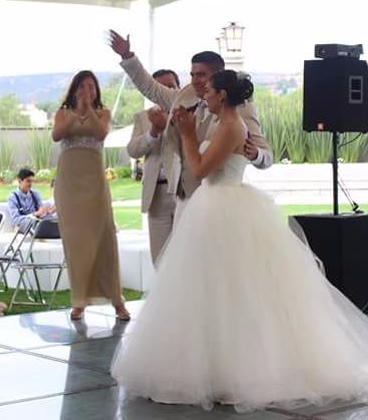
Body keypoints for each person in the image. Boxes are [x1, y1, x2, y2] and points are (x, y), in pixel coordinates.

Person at [111, 71, 368, 412]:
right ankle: (213, 363)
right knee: (212, 290)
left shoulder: (232, 126)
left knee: (236, 290)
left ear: (223, 94)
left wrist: (185, 134)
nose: (205, 96)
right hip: (213, 206)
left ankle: (234, 368)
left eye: (210, 90)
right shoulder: (222, 121)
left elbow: (199, 169)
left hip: (223, 206)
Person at [108, 31, 272, 223]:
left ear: (218, 76)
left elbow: (267, 155)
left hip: (217, 203)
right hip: (183, 196)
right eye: (192, 74)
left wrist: (255, 154)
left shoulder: (240, 110)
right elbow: (150, 87)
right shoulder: (185, 95)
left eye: (202, 75)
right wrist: (128, 57)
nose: (195, 80)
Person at [51, 70, 130, 322]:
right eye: (82, 86)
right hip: (69, 184)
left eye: (91, 86)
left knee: (104, 237)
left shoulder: (103, 113)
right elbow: (57, 134)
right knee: (76, 242)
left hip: (94, 182)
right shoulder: (63, 113)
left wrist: (89, 110)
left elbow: (100, 133)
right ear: (74, 89)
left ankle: (116, 299)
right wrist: (77, 110)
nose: (88, 91)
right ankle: (79, 300)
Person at [127, 69, 179, 265]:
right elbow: (133, 150)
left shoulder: (190, 114)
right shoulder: (142, 118)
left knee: (186, 253)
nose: (166, 90)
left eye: (170, 85)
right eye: (160, 86)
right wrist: (153, 132)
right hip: (155, 195)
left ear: (178, 87)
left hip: (183, 191)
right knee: (160, 258)